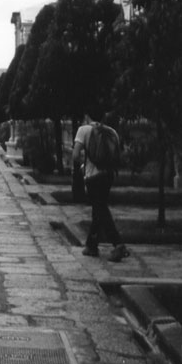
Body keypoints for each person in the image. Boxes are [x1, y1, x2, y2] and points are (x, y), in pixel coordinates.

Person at [72, 111, 129, 262]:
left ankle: (118, 244)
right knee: (99, 208)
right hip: (108, 175)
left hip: (93, 176)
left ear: (86, 115)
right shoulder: (112, 132)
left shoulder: (84, 130)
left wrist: (82, 166)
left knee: (100, 209)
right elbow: (118, 156)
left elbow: (75, 155)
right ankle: (91, 245)